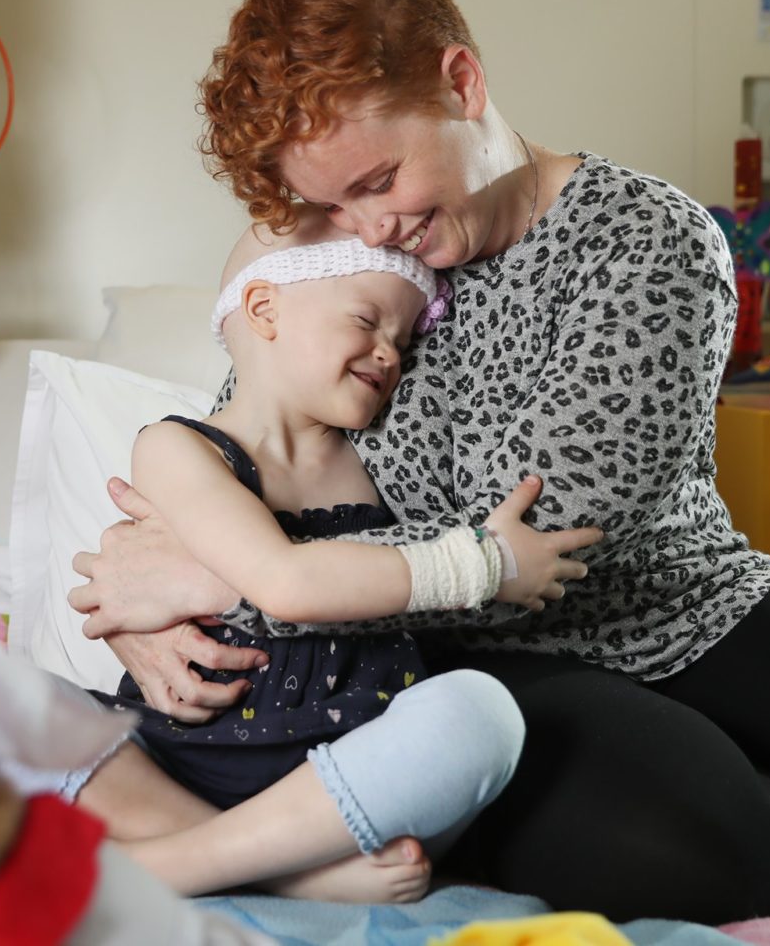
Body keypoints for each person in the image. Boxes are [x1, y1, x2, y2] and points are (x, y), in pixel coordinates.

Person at [69, 0, 770, 944]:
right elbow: (246, 458)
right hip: (438, 662)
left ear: (461, 83)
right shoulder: (345, 264)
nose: (368, 228)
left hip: (680, 609)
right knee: (718, 849)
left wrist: (222, 578)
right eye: (332, 208)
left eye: (379, 181)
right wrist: (139, 607)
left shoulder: (644, 242)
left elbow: (557, 533)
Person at [76, 218, 599, 903]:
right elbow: (283, 583)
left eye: (404, 340)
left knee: (483, 715)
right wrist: (486, 566)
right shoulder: (181, 450)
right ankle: (276, 874)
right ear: (264, 308)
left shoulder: (384, 461)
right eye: (366, 319)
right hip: (178, 759)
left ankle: (203, 864)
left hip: (346, 778)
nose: (389, 353)